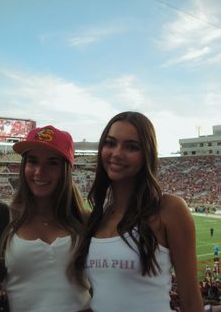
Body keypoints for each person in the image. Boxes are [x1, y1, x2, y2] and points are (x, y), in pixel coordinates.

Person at [70, 111, 204, 311]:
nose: (117, 153)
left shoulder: (169, 209)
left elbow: (191, 299)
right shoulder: (98, 217)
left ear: (146, 154)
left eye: (131, 147)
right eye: (110, 143)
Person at [0, 125, 91, 312]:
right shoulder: (0, 219)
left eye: (52, 163)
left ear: (66, 170)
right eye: (32, 161)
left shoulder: (85, 220)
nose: (39, 172)